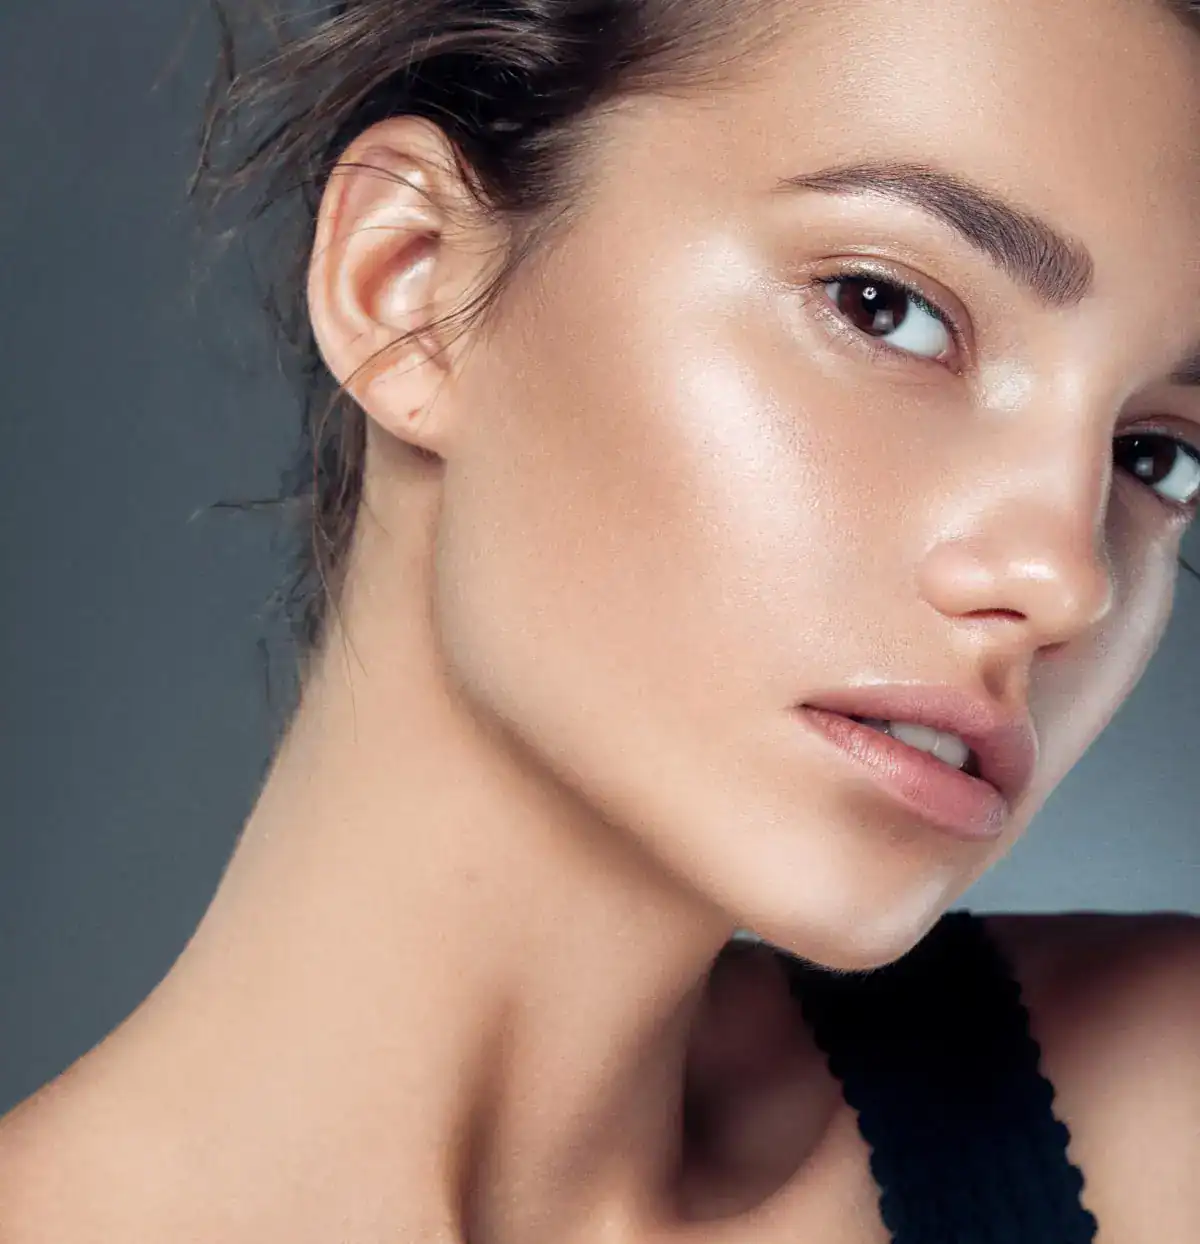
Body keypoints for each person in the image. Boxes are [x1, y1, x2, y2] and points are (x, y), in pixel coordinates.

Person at [1, 0, 1198, 1239]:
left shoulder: (1161, 1119)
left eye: (1157, 455)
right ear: (408, 282)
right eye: (882, 306)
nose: (1069, 578)